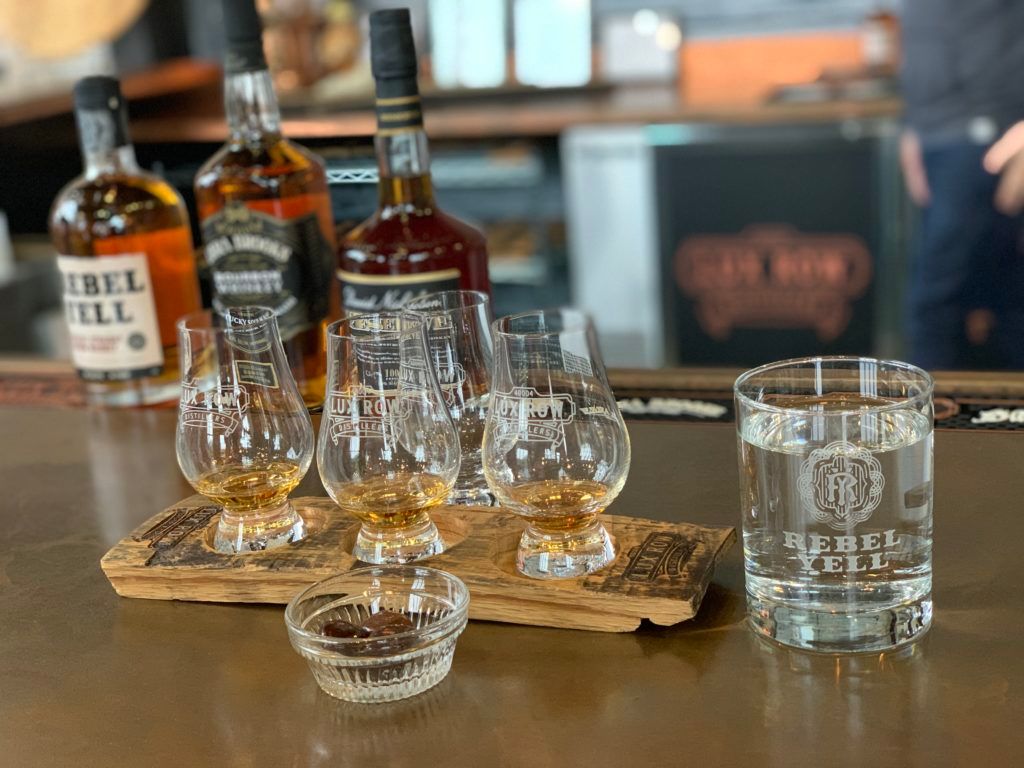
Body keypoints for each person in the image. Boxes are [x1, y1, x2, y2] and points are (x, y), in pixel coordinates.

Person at [900, 1, 1024, 369]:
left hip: (991, 136)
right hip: (936, 135)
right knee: (1000, 296)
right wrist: (913, 125)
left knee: (934, 306)